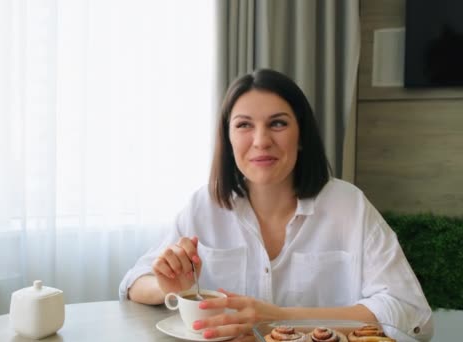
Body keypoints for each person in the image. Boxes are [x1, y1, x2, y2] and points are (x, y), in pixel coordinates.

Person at [118, 69, 433, 341]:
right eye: (243, 125)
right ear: (227, 139)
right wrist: (172, 289)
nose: (260, 140)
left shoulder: (348, 207)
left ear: (301, 136)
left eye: (278, 124)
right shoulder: (204, 206)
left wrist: (280, 317)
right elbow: (134, 283)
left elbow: (411, 313)